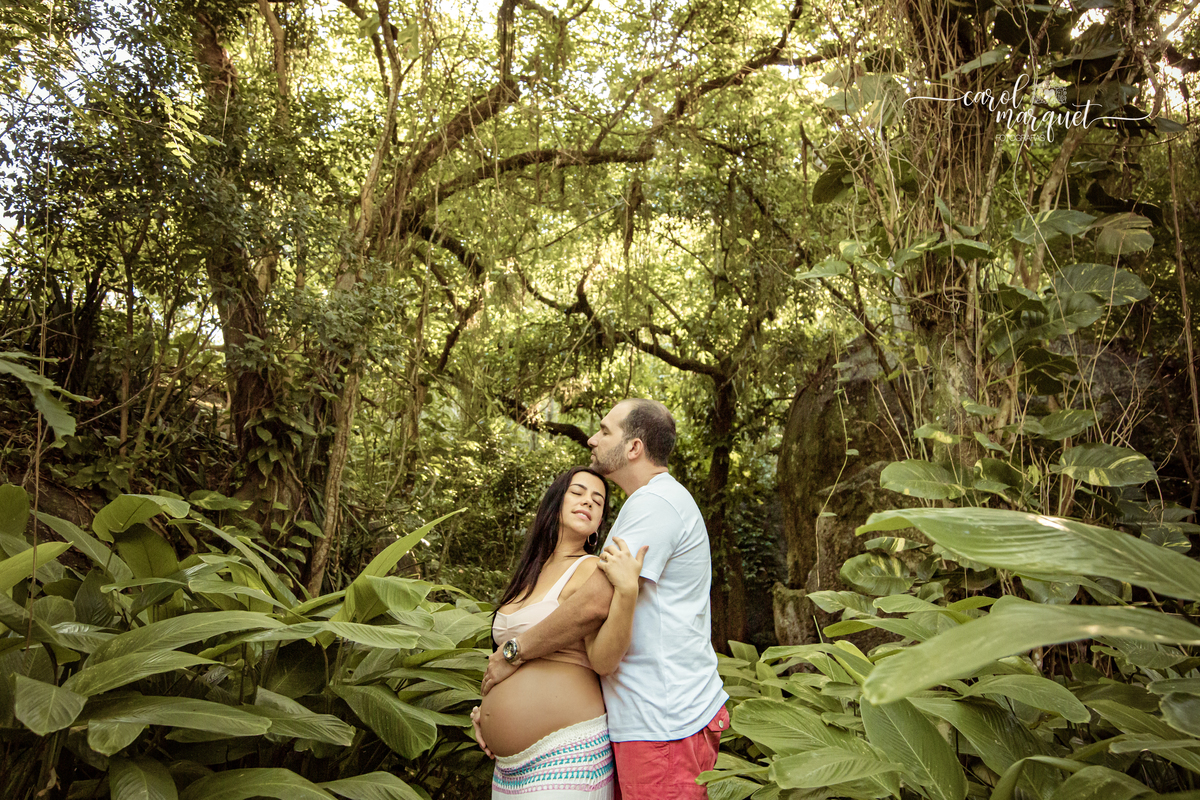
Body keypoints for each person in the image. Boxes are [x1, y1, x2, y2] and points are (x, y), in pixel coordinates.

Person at [483, 399, 729, 799]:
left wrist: (513, 652)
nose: (593, 440)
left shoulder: (655, 503)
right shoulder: (644, 505)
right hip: (640, 722)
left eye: (604, 431)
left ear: (633, 447)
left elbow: (594, 603)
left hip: (662, 722)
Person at [471, 465, 648, 799]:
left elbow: (604, 660)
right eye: (577, 492)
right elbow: (502, 661)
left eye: (598, 501)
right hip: (505, 769)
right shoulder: (529, 572)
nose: (588, 502)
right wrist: (486, 713)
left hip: (566, 755)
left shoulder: (592, 569)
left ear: (599, 523)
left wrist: (627, 592)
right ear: (555, 502)